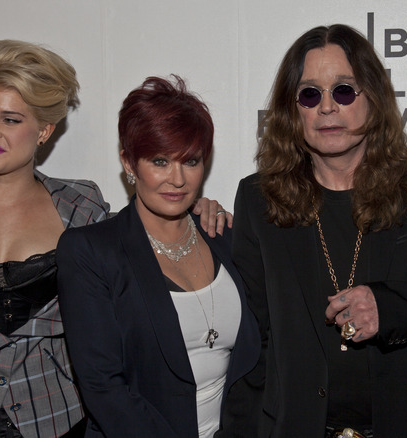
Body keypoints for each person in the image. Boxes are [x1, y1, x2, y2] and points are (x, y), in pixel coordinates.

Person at [0, 42, 230, 438]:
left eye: (10, 120)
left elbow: (139, 237)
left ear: (45, 130)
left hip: (59, 420)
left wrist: (194, 208)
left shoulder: (80, 206)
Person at [224, 24, 407, 437]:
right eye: (309, 94)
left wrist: (388, 307)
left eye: (343, 90)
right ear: (292, 110)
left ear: (372, 96)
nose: (327, 108)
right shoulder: (258, 198)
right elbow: (253, 336)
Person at [55, 75, 260, 438]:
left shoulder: (225, 236)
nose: (178, 179)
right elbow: (103, 386)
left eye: (191, 161)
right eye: (160, 161)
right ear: (130, 164)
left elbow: (258, 358)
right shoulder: (91, 251)